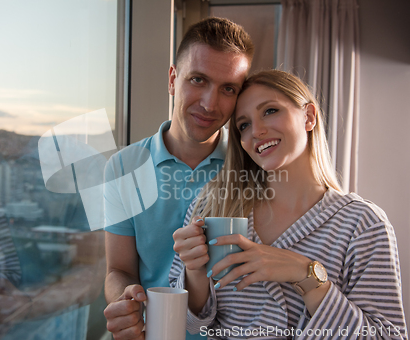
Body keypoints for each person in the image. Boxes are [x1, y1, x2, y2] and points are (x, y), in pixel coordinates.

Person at [170, 70, 408, 339]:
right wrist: (195, 272)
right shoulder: (212, 207)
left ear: (308, 116)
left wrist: (307, 276)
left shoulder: (363, 223)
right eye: (243, 125)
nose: (256, 131)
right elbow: (189, 325)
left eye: (270, 111)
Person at [103, 17, 254, 340]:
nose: (210, 103)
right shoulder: (122, 168)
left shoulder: (254, 167)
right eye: (198, 80)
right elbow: (119, 269)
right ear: (173, 80)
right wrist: (124, 299)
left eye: (228, 89)